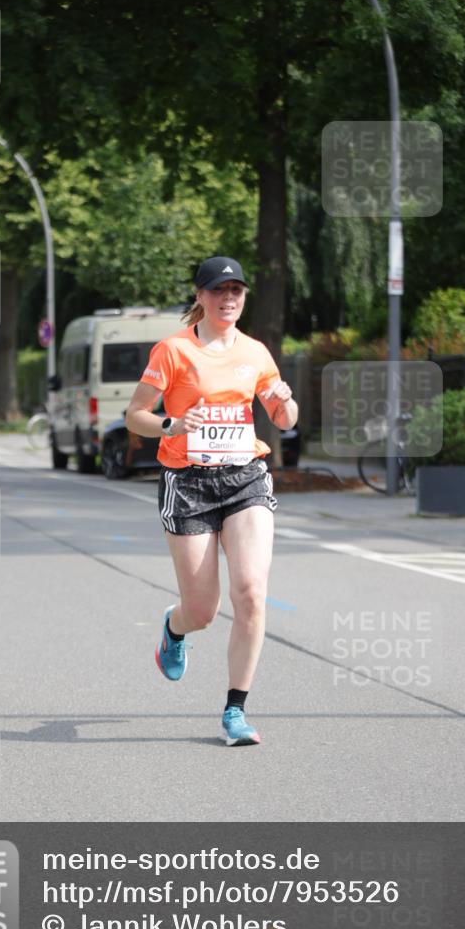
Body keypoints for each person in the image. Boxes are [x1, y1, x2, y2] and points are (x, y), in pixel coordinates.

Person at [126, 257, 298, 746]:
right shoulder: (173, 351)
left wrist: (285, 400)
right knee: (202, 609)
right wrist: (170, 425)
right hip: (189, 482)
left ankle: (235, 711)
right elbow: (136, 414)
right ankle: (174, 627)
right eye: (219, 290)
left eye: (237, 291)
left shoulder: (256, 352)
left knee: (250, 593)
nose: (229, 298)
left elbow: (284, 420)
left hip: (245, 477)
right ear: (199, 296)